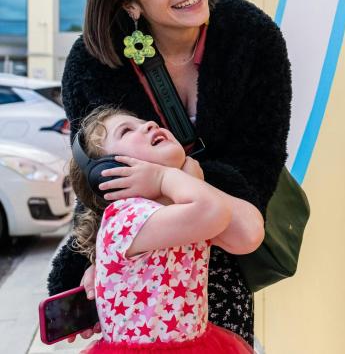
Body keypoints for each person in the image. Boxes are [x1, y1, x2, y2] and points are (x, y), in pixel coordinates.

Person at [47, 0, 292, 344]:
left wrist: (176, 177)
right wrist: (92, 264)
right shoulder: (92, 63)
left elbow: (258, 162)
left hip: (218, 239)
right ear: (130, 4)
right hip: (144, 249)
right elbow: (99, 176)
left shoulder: (250, 36)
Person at [70, 106, 262, 353]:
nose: (149, 123)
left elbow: (247, 235)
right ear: (105, 174)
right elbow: (213, 212)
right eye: (127, 130)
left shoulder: (185, 206)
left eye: (142, 121)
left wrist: (181, 181)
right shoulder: (125, 218)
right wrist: (167, 179)